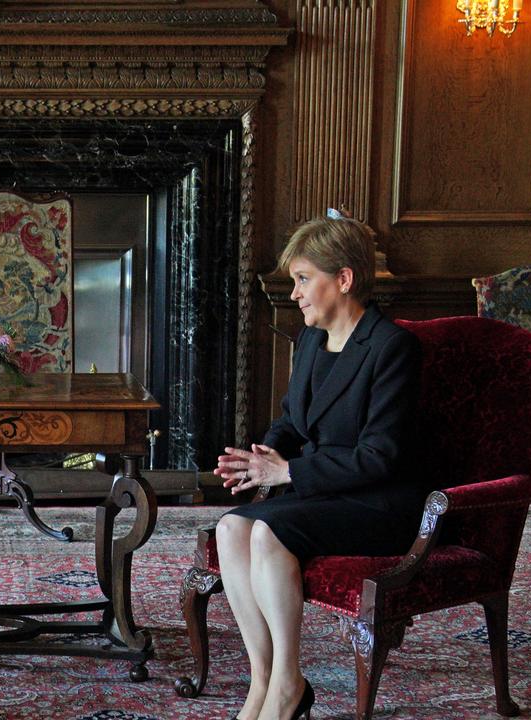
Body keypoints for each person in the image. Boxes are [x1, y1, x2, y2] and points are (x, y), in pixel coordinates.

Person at [212, 214, 424, 720]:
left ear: (344, 279)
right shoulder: (310, 340)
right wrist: (259, 460)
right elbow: (292, 420)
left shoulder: (392, 348)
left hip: (379, 501)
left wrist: (286, 474)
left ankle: (288, 681)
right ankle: (262, 679)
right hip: (320, 490)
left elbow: (381, 457)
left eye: (304, 279)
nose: (296, 293)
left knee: (265, 534)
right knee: (228, 528)